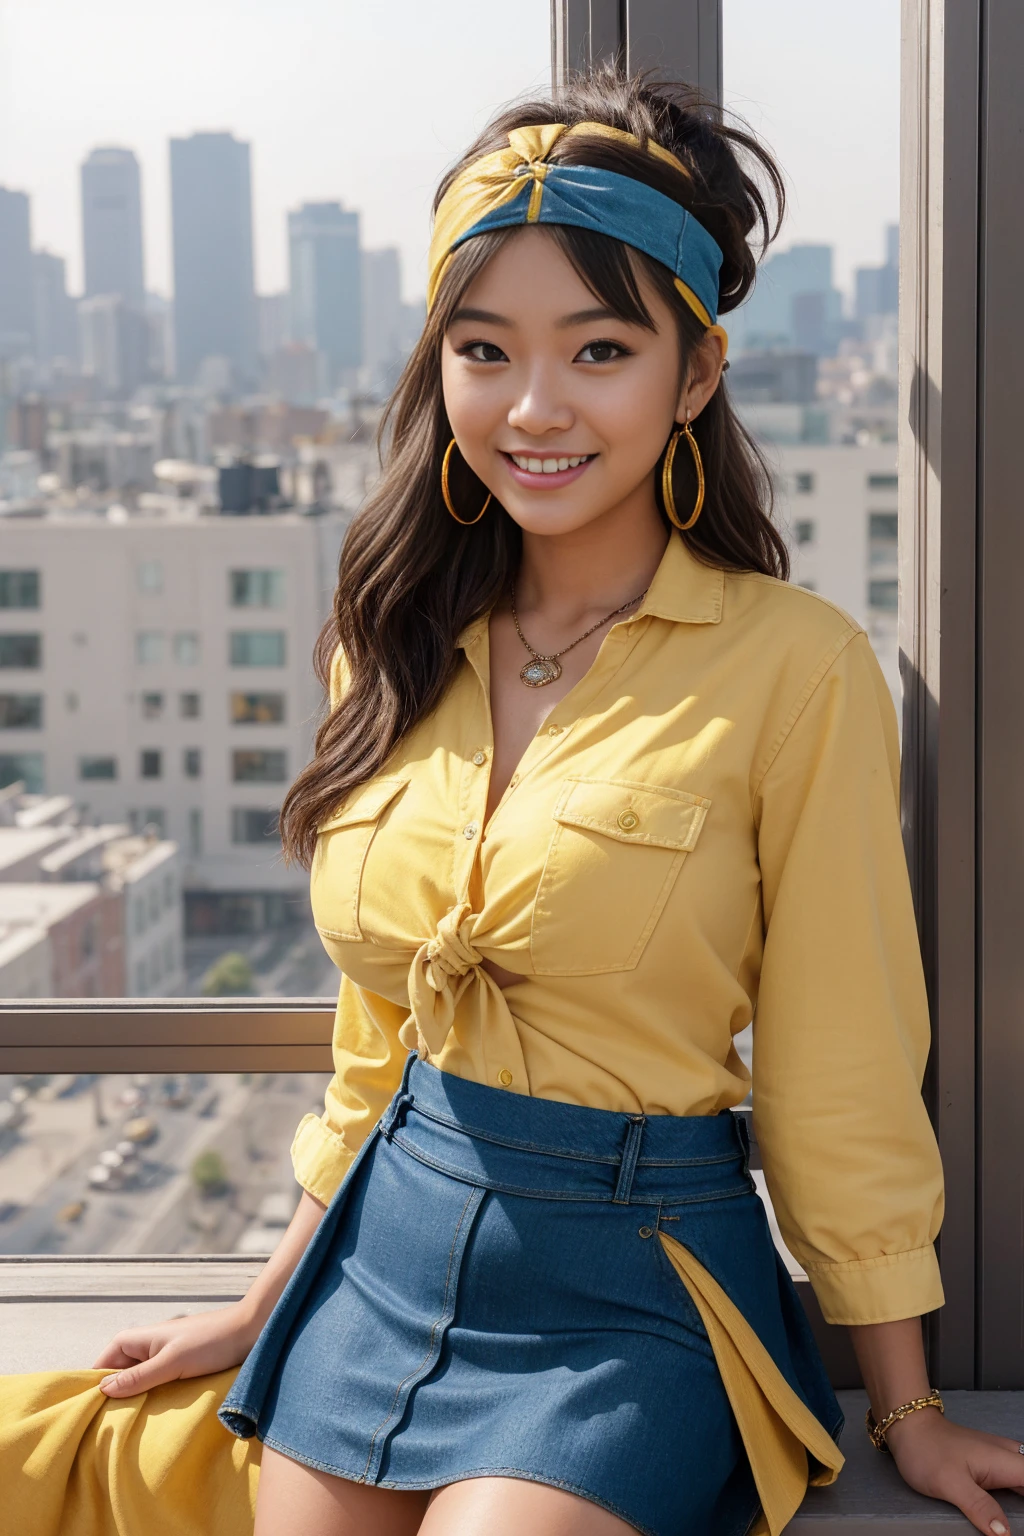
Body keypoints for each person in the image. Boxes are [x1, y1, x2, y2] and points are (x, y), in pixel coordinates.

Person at [4, 66, 1024, 1536]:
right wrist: (254, 1303)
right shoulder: (390, 639)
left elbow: (842, 1067)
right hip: (386, 1255)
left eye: (598, 350)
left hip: (635, 1286)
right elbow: (375, 1050)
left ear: (696, 375)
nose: (533, 407)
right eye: (485, 350)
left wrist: (911, 1408)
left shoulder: (794, 672)